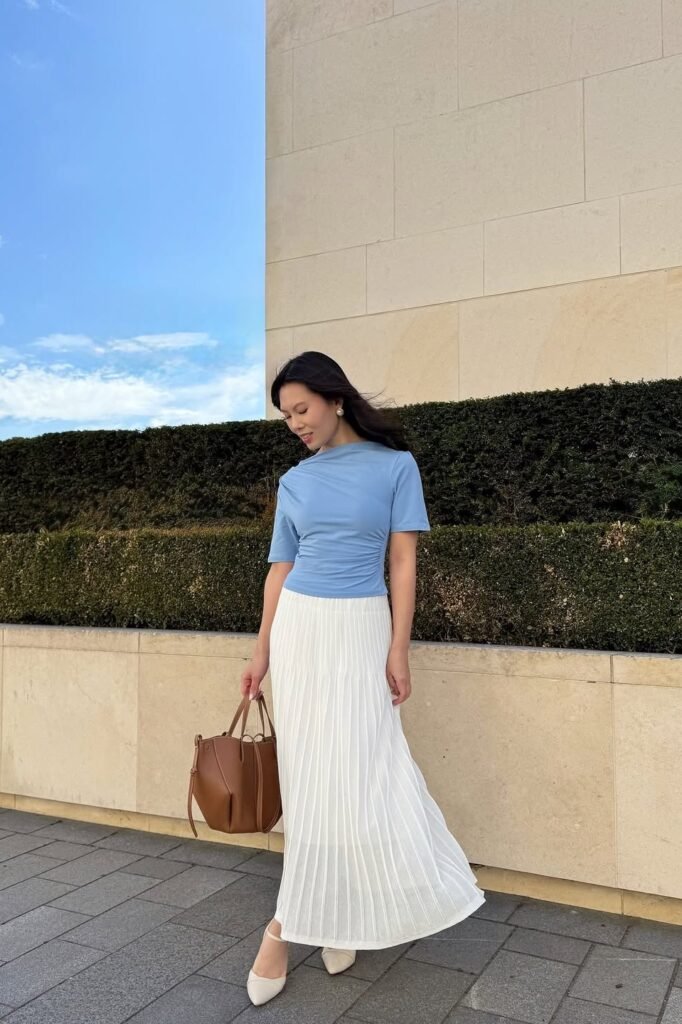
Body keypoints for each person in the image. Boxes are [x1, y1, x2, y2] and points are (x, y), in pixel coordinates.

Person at [241, 351, 486, 1006]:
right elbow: (278, 571)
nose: (294, 423)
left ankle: (288, 924)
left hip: (360, 629)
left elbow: (402, 561)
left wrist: (398, 647)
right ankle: (323, 914)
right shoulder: (295, 481)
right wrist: (261, 651)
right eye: (285, 415)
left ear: (335, 400)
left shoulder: (396, 467)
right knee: (308, 773)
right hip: (300, 631)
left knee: (358, 768)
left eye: (301, 409)